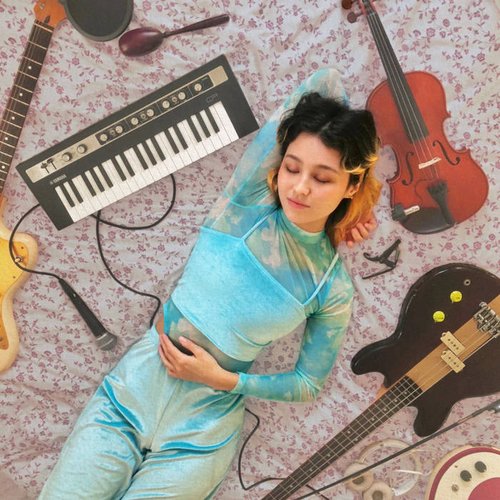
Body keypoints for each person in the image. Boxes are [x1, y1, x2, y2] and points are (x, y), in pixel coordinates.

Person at [39, 68, 381, 499]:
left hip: (201, 434)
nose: (300, 187)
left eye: (323, 178)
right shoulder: (245, 203)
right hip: (129, 396)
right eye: (292, 168)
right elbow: (324, 82)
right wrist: (359, 184)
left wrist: (227, 381)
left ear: (351, 184)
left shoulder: (331, 287)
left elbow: (307, 384)